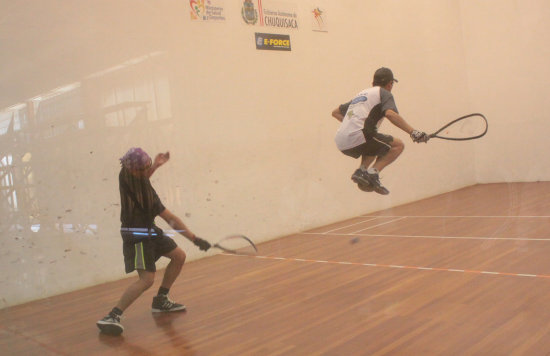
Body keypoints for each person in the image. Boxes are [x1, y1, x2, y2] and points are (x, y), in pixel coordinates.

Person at [96, 147, 211, 336]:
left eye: (146, 168)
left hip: (149, 230)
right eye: (142, 169)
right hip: (137, 235)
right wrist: (195, 239)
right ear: (131, 169)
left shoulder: (126, 175)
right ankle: (112, 315)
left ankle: (161, 300)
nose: (145, 173)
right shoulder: (141, 189)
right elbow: (170, 219)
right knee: (147, 279)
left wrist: (155, 166)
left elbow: (142, 175)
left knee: (178, 256)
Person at [332, 67, 428, 195]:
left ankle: (361, 171)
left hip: (341, 141)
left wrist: (353, 124)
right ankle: (372, 174)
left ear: (373, 83)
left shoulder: (361, 94)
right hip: (361, 135)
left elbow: (335, 112)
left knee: (374, 143)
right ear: (390, 84)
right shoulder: (384, 93)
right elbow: (390, 114)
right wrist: (413, 132)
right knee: (398, 145)